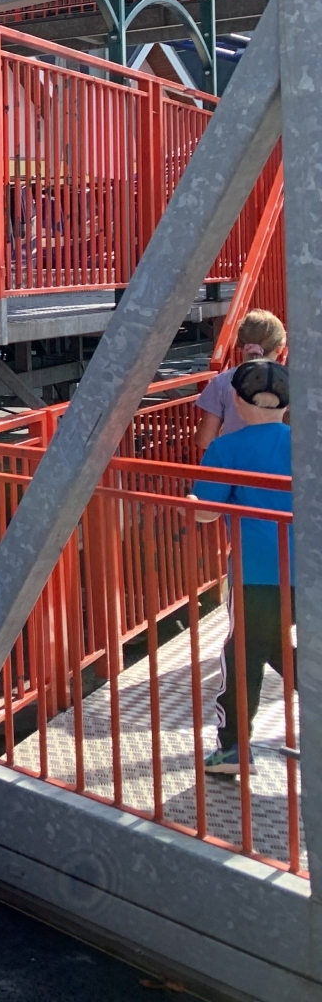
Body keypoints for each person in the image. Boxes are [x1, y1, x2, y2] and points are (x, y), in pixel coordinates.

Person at [192, 359, 294, 776]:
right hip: (309, 568)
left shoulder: (226, 448)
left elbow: (204, 513)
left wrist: (193, 505)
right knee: (275, 645)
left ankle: (233, 746)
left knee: (244, 653)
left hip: (257, 571)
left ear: (235, 399)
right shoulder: (307, 444)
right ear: (288, 403)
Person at [197, 310, 287, 454]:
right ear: (279, 349)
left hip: (233, 461)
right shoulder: (290, 383)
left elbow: (204, 439)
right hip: (279, 461)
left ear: (240, 345)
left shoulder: (221, 382)